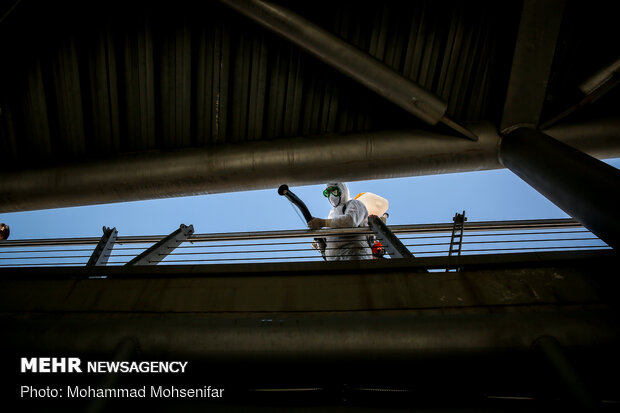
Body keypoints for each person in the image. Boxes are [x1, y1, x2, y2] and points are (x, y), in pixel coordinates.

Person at [308, 183, 372, 261]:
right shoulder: (332, 214)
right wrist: (319, 239)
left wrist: (323, 223)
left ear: (343, 191)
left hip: (354, 255)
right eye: (328, 193)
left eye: (334, 191)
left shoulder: (355, 204)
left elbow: (350, 221)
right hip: (335, 261)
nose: (331, 195)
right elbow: (331, 239)